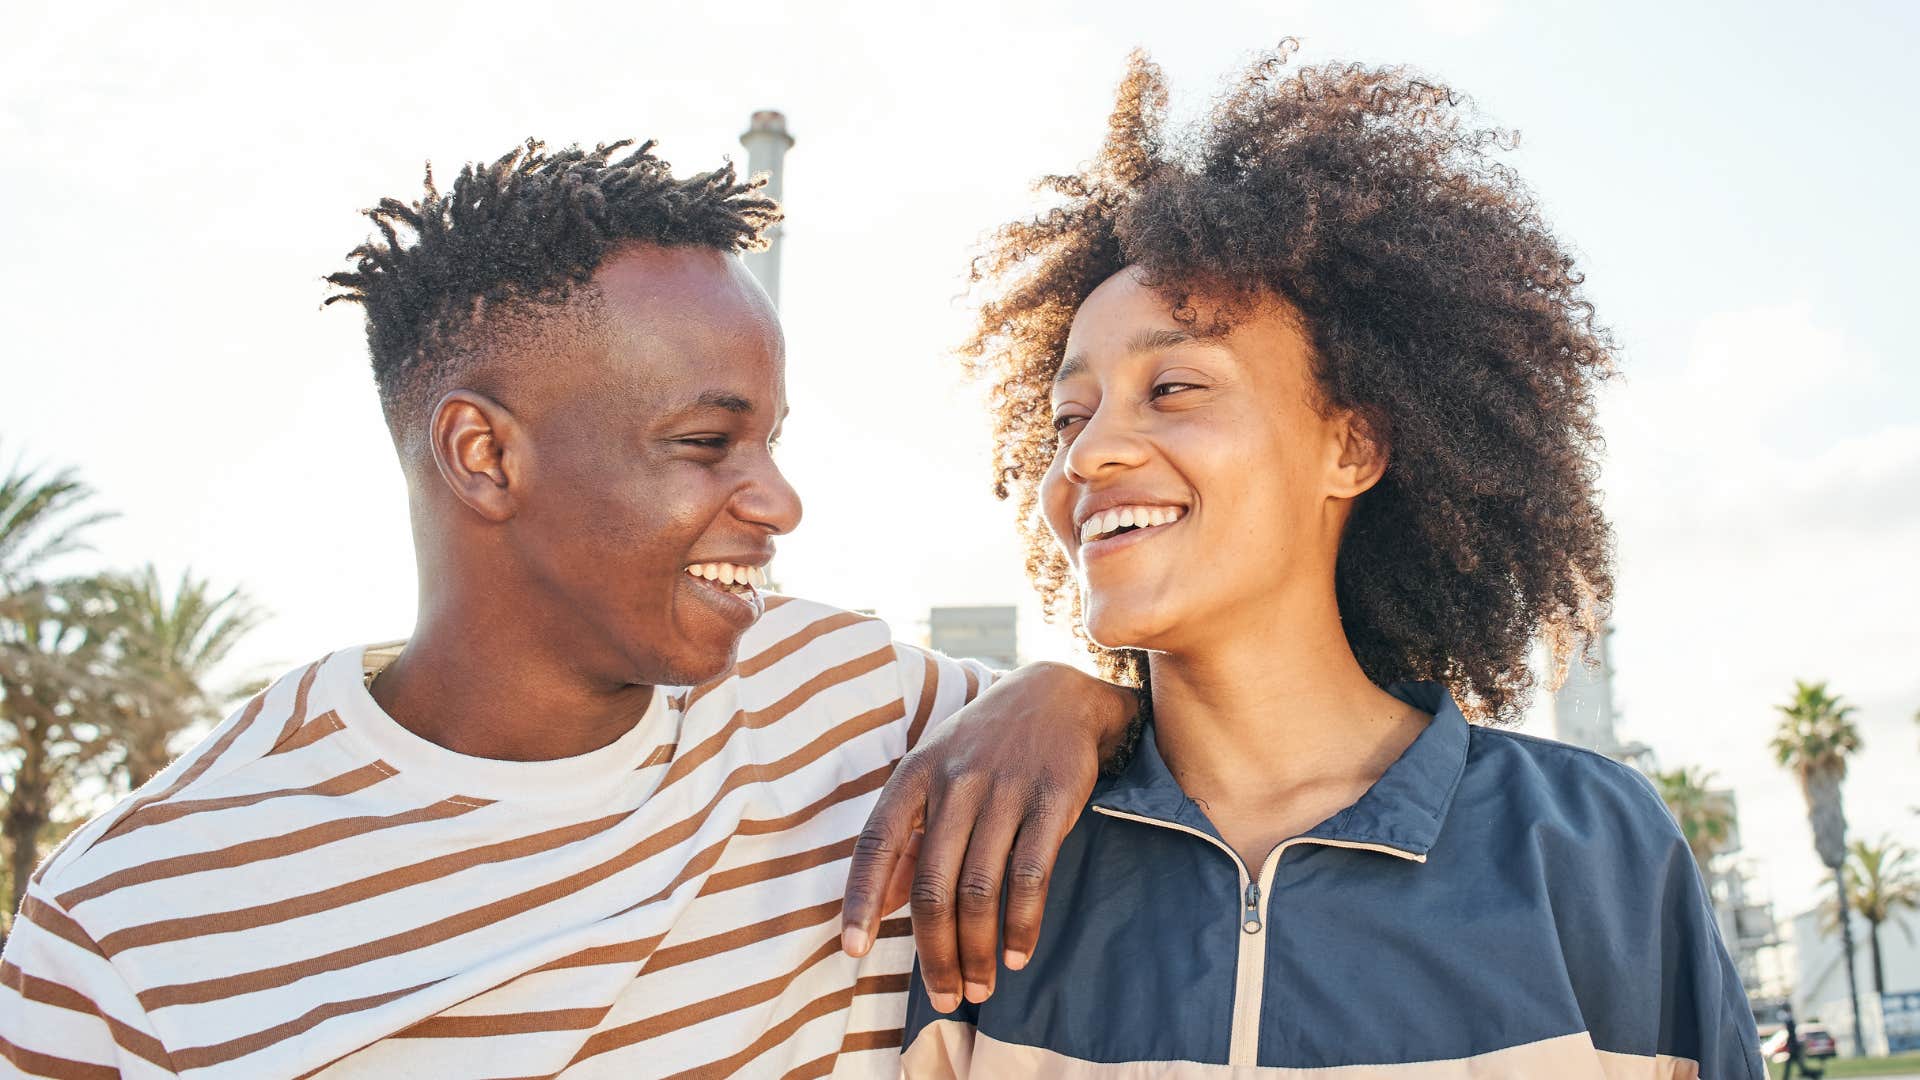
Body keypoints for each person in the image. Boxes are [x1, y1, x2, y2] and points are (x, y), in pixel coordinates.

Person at [0, 139, 1133, 1077]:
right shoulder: (128, 917)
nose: (780, 501)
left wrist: (1074, 697)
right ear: (483, 454)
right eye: (706, 443)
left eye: (770, 440)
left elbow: (1196, 742)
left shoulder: (850, 701)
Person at [902, 45, 1766, 1077]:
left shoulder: (1590, 849)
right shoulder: (994, 857)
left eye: (1173, 387)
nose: (1088, 455)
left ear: (1351, 448)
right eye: (1068, 416)